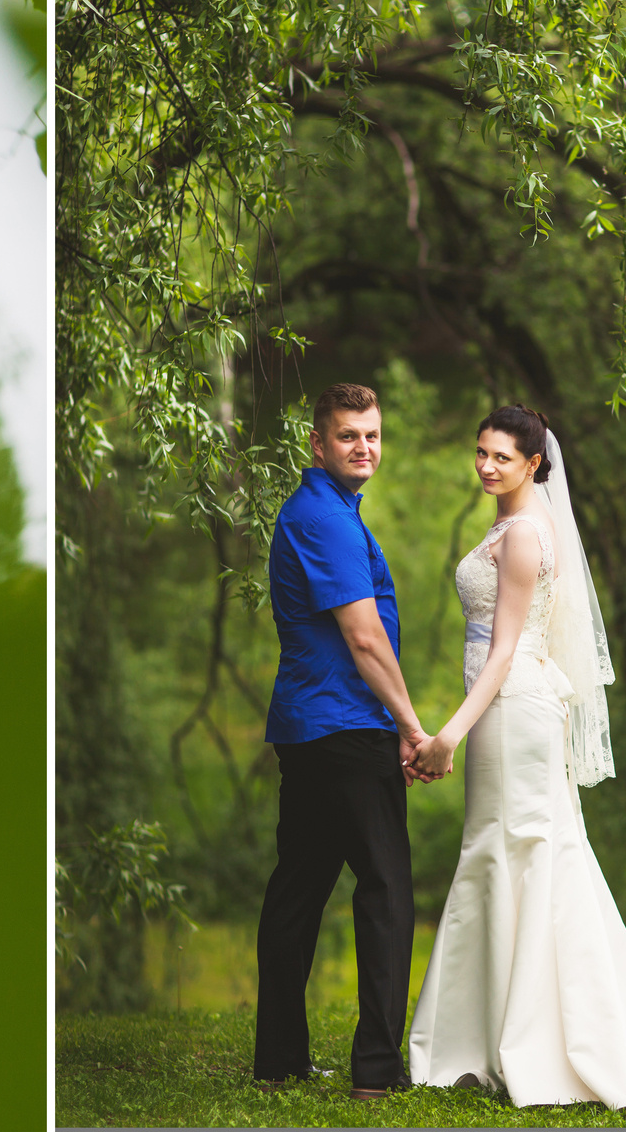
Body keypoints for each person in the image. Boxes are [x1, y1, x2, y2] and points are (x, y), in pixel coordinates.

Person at [406, 407, 626, 1109]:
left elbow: (504, 650)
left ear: (535, 464)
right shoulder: (511, 524)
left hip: (512, 711)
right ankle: (490, 1035)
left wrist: (449, 735)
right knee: (505, 853)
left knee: (519, 853)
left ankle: (526, 1042)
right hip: (509, 708)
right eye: (480, 452)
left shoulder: (526, 533)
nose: (486, 465)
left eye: (502, 456)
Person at [253, 382, 440, 1099]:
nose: (364, 447)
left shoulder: (325, 511)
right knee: (388, 890)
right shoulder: (325, 519)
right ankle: (376, 1072)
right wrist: (411, 727)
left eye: (372, 435)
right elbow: (363, 639)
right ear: (318, 444)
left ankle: (279, 1061)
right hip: (345, 727)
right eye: (348, 436)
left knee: (298, 888)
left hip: (311, 728)